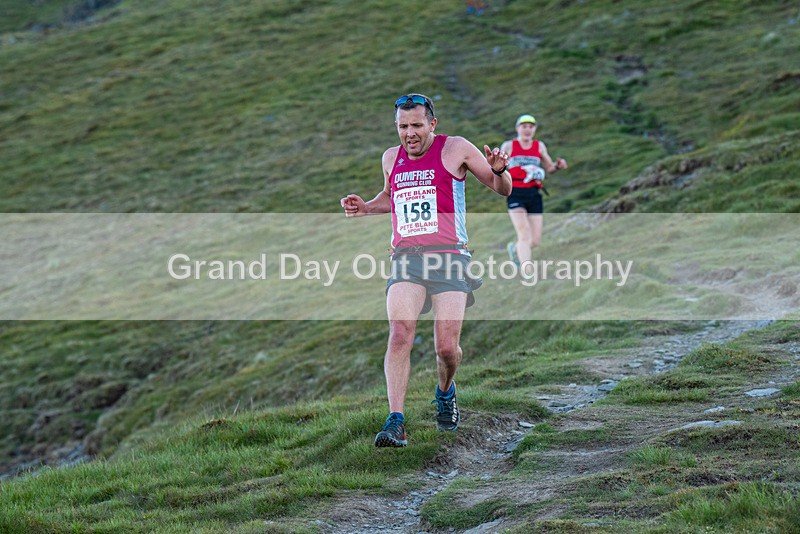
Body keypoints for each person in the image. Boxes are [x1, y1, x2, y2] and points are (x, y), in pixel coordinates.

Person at [340, 93, 511, 447]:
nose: (410, 134)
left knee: (446, 348)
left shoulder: (456, 149)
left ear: (432, 124)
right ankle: (396, 422)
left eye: (417, 125)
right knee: (399, 334)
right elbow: (391, 196)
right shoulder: (391, 157)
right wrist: (365, 207)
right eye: (402, 127)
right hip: (407, 257)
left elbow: (502, 189)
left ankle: (445, 391)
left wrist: (499, 170)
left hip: (450, 257)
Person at [501, 114, 568, 275]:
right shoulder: (509, 146)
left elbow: (549, 168)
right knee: (524, 234)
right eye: (524, 126)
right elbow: (497, 166)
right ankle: (527, 270)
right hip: (515, 192)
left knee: (535, 240)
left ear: (535, 129)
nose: (527, 130)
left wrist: (558, 166)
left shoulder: (539, 146)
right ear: (517, 128)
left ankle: (515, 249)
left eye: (531, 127)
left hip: (534, 194)